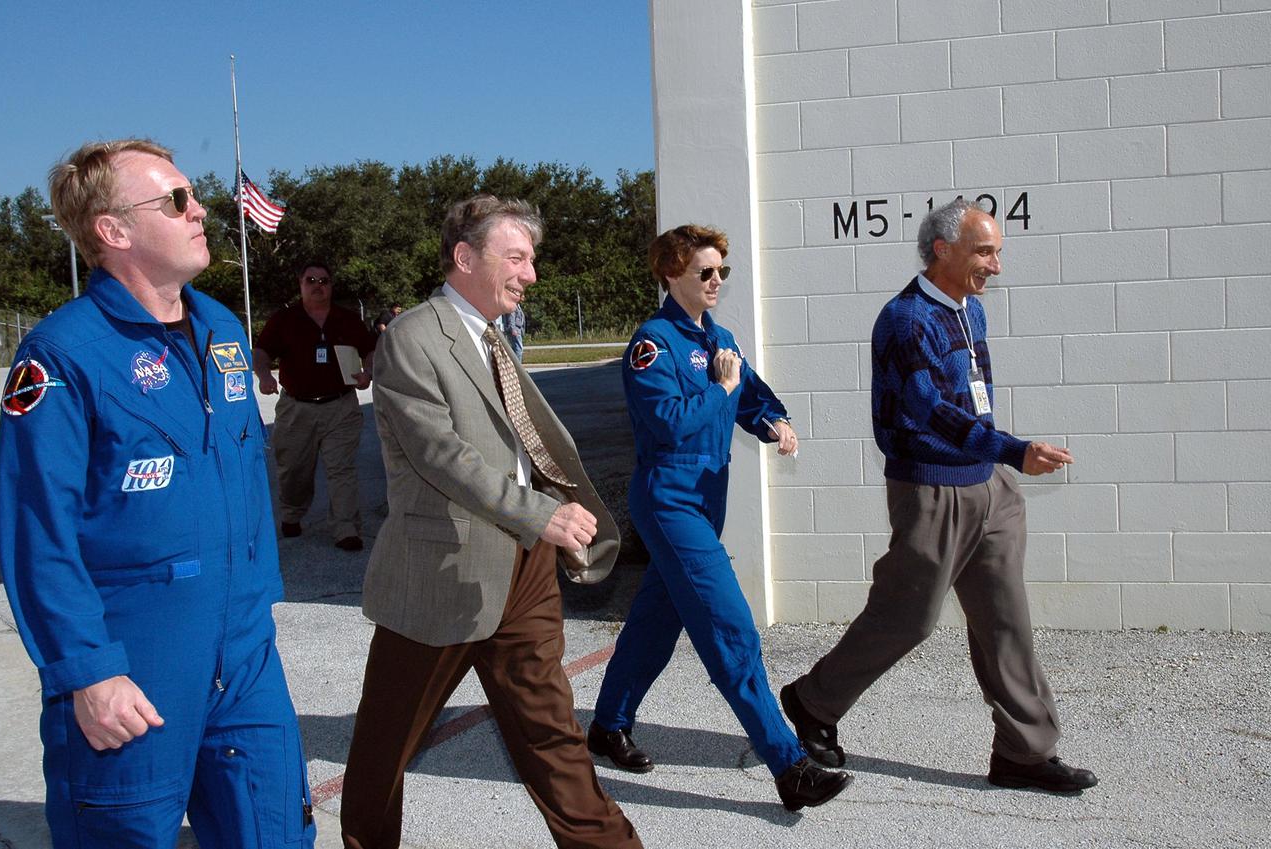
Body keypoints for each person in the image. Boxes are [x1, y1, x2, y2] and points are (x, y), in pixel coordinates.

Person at [0, 139, 314, 847]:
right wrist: (88, 671)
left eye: (192, 194)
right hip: (136, 658)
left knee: (275, 828)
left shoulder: (222, 332)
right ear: (114, 230)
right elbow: (36, 530)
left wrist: (256, 605)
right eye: (176, 200)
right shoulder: (62, 354)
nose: (199, 208)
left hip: (243, 648)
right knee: (126, 832)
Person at [339, 195, 642, 849]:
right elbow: (441, 455)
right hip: (439, 571)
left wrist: (550, 512)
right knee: (385, 744)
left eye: (531, 259)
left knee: (550, 730)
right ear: (465, 257)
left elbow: (522, 442)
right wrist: (542, 511)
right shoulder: (413, 338)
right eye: (517, 257)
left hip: (523, 568)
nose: (530, 273)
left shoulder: (495, 337)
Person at [780, 198, 1099, 794]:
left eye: (998, 251)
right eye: (985, 251)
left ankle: (1024, 754)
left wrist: (998, 461)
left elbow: (974, 396)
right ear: (941, 250)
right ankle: (811, 702)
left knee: (1007, 621)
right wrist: (1011, 450)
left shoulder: (968, 311)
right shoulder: (905, 321)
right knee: (909, 617)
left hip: (989, 486)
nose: (996, 266)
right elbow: (928, 410)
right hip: (931, 489)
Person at [587, 224, 850, 812]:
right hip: (668, 497)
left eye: (721, 272)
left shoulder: (719, 336)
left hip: (706, 498)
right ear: (671, 273)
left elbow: (750, 396)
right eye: (704, 272)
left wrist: (772, 421)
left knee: (657, 618)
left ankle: (607, 725)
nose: (715, 281)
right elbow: (672, 422)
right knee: (731, 628)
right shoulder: (651, 344)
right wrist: (723, 388)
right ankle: (790, 766)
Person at [254, 262, 375, 551]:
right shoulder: (284, 320)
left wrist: (368, 372)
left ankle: (346, 529)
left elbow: (370, 349)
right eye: (311, 280)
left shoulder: (347, 320)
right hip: (297, 408)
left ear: (331, 285)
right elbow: (260, 351)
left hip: (340, 407)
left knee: (341, 470)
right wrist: (264, 375)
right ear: (301, 284)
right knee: (294, 469)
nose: (318, 285)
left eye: (324, 280)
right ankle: (292, 513)